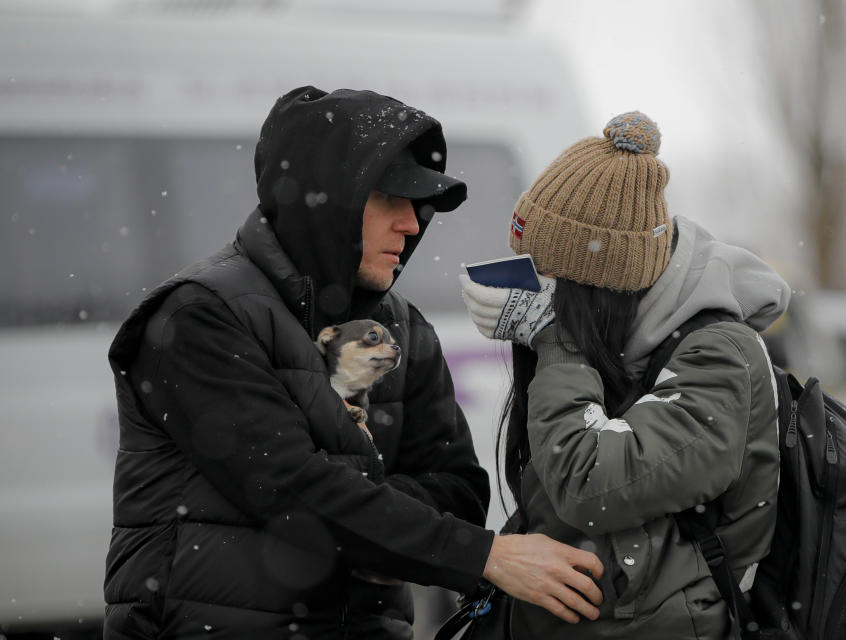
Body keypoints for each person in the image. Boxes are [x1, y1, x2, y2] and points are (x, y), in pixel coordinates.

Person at [104, 86, 604, 640]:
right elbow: (291, 491)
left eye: (420, 205)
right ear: (326, 200)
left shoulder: (403, 328)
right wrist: (479, 554)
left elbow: (459, 490)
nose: (413, 224)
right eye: (392, 199)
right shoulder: (199, 318)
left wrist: (362, 513)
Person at [460, 111, 791, 639]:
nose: (534, 293)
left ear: (598, 286)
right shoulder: (615, 348)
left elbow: (592, 483)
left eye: (544, 277)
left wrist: (555, 339)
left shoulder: (719, 357)